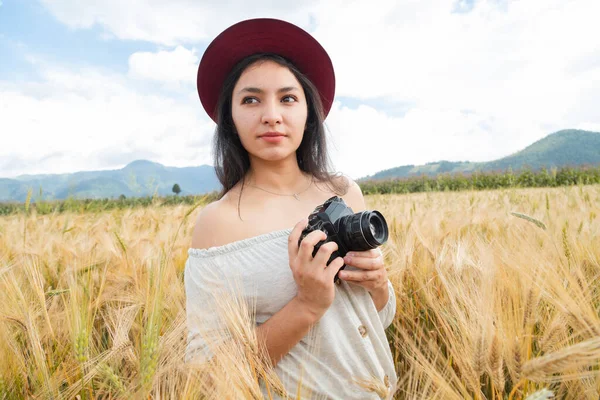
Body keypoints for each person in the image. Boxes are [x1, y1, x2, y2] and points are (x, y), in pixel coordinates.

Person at [185, 18, 397, 399]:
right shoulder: (217, 223)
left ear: (308, 112)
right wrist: (306, 305)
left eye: (288, 98)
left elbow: (372, 319)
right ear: (229, 117)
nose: (272, 115)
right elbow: (208, 377)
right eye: (251, 99)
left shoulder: (345, 192)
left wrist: (379, 285)